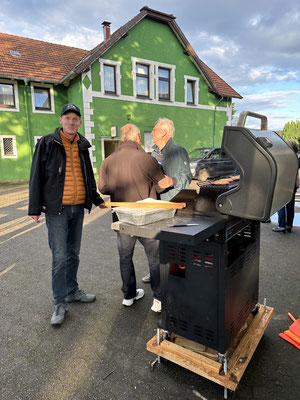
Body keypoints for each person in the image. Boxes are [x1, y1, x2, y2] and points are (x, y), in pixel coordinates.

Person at [28, 103, 106, 326]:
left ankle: (72, 291)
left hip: (78, 208)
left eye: (75, 119)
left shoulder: (82, 145)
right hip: (57, 210)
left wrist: (97, 199)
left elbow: (88, 177)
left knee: (74, 254)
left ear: (79, 122)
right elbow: (36, 176)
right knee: (59, 257)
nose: (72, 122)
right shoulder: (47, 143)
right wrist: (34, 209)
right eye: (68, 118)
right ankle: (60, 303)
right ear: (60, 120)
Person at [98, 124, 171, 313]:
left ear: (122, 139)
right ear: (138, 138)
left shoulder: (108, 160)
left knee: (124, 256)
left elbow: (103, 188)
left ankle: (128, 295)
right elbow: (162, 185)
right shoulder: (147, 159)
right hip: (147, 219)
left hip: (122, 218)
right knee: (155, 258)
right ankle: (158, 299)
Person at [142, 117, 192, 283]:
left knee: (172, 242)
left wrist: (173, 181)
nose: (152, 133)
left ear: (164, 132)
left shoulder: (179, 151)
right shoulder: (153, 152)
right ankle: (155, 271)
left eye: (155, 130)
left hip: (171, 204)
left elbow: (187, 176)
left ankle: (174, 275)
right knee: (154, 242)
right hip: (154, 203)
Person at [272, 140, 300, 233]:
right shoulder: (297, 158)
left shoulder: (284, 157)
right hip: (293, 184)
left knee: (280, 204)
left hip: (283, 184)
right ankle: (289, 225)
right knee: (290, 205)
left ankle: (281, 225)